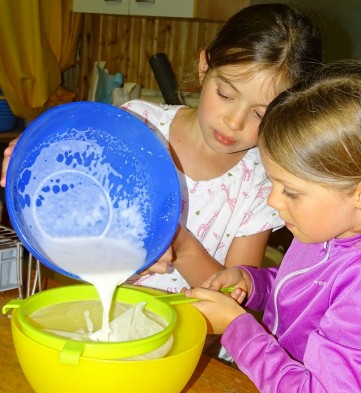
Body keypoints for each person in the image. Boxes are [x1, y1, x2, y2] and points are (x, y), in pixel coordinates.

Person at [1, 4, 322, 292]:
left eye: (260, 114)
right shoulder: (139, 126)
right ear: (204, 66)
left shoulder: (258, 185)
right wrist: (32, 156)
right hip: (110, 313)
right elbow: (72, 201)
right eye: (225, 94)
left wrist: (176, 241)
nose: (234, 122)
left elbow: (234, 297)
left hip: (198, 341)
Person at [183, 60, 361, 393]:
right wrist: (253, 282)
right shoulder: (329, 229)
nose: (272, 199)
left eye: (291, 191)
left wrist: (235, 328)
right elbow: (303, 290)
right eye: (272, 182)